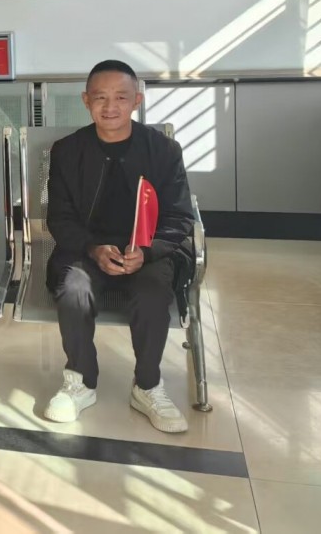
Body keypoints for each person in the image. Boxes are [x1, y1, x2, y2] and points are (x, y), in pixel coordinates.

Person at [42, 59, 195, 434]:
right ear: (85, 100)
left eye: (121, 97)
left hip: (147, 251)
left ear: (137, 100)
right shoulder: (67, 151)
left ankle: (148, 386)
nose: (110, 107)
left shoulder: (163, 151)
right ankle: (80, 381)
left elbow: (179, 218)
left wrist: (148, 252)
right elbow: (59, 218)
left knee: (153, 293)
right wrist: (93, 248)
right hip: (86, 250)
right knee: (74, 289)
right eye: (100, 97)